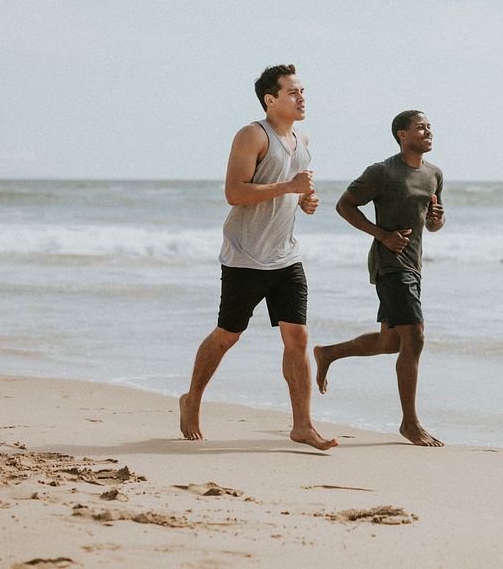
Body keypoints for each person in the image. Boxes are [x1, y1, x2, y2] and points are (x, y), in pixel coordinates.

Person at [179, 64, 337, 450]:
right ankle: (192, 399)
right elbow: (235, 192)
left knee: (297, 336)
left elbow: (296, 192)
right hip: (246, 255)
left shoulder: (302, 138)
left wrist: (306, 200)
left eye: (303, 92)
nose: (302, 98)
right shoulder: (252, 135)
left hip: (285, 254)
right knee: (228, 335)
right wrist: (290, 186)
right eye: (293, 93)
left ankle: (302, 425)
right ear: (271, 99)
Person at [313, 110, 445, 447]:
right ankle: (410, 423)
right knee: (414, 336)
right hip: (389, 264)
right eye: (420, 127)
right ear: (402, 135)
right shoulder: (383, 172)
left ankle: (327, 353)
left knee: (392, 343)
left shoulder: (433, 175)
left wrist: (437, 220)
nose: (428, 130)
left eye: (429, 126)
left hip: (413, 265)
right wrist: (382, 235)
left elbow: (430, 224)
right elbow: (345, 205)